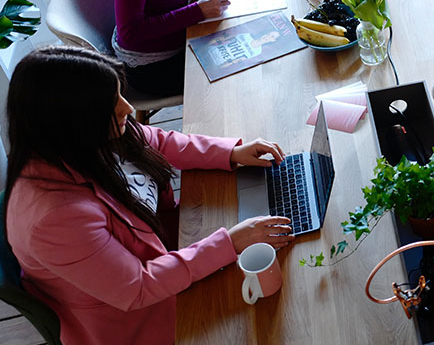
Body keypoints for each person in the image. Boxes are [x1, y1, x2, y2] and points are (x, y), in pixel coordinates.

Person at [2, 46, 293, 345]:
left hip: (168, 252)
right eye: (111, 103)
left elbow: (158, 141)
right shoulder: (54, 218)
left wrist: (231, 153)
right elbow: (137, 286)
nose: (128, 108)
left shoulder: (82, 139)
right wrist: (230, 242)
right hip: (136, 318)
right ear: (72, 121)